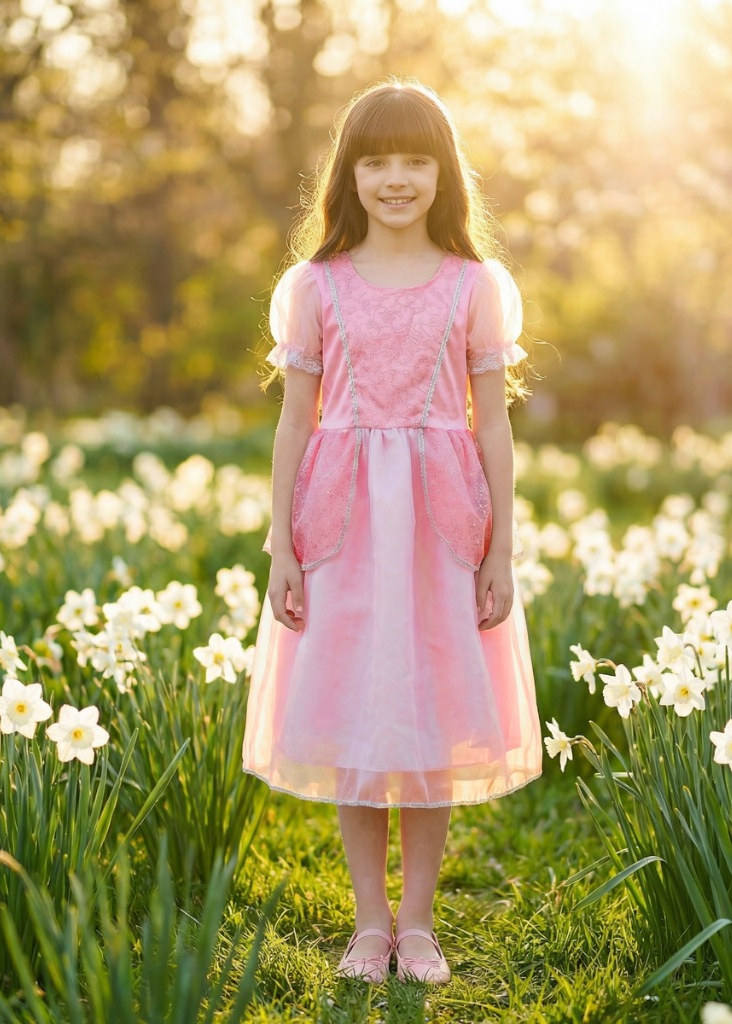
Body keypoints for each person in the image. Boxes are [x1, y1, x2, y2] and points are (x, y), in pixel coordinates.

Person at [242, 77, 542, 986]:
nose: (397, 178)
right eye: (377, 161)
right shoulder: (317, 287)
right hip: (342, 524)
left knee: (430, 719)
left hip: (444, 524)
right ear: (351, 174)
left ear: (443, 173)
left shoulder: (474, 286)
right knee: (361, 722)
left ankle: (419, 923)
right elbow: (295, 421)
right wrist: (282, 542)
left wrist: (501, 545)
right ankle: (368, 922)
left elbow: (492, 423)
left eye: (416, 160)